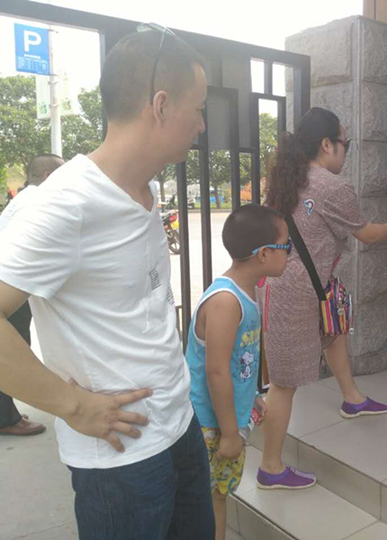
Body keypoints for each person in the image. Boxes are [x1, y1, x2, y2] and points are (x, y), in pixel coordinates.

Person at [0, 26, 214, 540]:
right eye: (199, 108)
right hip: (121, 463)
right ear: (161, 105)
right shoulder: (65, 205)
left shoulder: (146, 189)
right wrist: (71, 405)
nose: (202, 124)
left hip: (179, 427)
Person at [257, 107, 387, 489]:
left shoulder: (286, 176)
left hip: (298, 284)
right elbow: (367, 234)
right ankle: (270, 467)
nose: (346, 151)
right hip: (297, 291)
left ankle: (352, 398)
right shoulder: (333, 187)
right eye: (345, 143)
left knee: (335, 332)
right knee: (283, 383)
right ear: (326, 144)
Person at [186, 204, 289, 540]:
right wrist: (230, 433)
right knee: (205, 500)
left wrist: (253, 397)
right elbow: (216, 371)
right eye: (285, 246)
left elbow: (238, 362)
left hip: (228, 418)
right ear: (263, 254)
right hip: (210, 424)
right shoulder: (226, 301)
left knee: (219, 494)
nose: (289, 254)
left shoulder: (245, 293)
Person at [0, 153, 64, 437]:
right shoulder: (38, 200)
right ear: (48, 176)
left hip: (10, 281)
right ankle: (6, 419)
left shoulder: (23, 198)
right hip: (10, 285)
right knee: (12, 349)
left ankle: (5, 412)